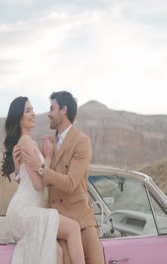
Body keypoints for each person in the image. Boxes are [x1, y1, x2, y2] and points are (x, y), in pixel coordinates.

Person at [18, 91, 104, 264]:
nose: (48, 113)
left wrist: (41, 168)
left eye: (52, 108)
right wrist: (17, 167)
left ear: (64, 110)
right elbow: (36, 181)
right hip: (57, 222)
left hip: (82, 222)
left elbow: (71, 183)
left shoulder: (82, 142)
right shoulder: (48, 142)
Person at [3, 96, 85, 264]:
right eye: (28, 111)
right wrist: (48, 157)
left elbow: (26, 180)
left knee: (56, 252)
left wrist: (19, 170)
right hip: (24, 211)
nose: (33, 114)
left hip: (23, 210)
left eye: (32, 109)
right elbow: (39, 184)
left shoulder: (27, 142)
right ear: (19, 118)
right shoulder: (26, 142)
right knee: (73, 228)